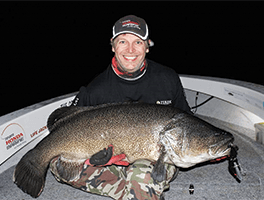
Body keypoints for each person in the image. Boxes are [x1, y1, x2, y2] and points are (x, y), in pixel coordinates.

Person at [50, 15, 191, 200]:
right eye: (123, 41)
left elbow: (187, 120)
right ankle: (134, 190)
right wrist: (91, 158)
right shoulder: (96, 89)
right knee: (57, 164)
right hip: (111, 162)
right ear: (113, 45)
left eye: (138, 42)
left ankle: (139, 185)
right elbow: (64, 125)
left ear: (147, 46)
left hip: (156, 157)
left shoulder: (167, 78)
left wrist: (211, 147)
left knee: (142, 176)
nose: (130, 50)